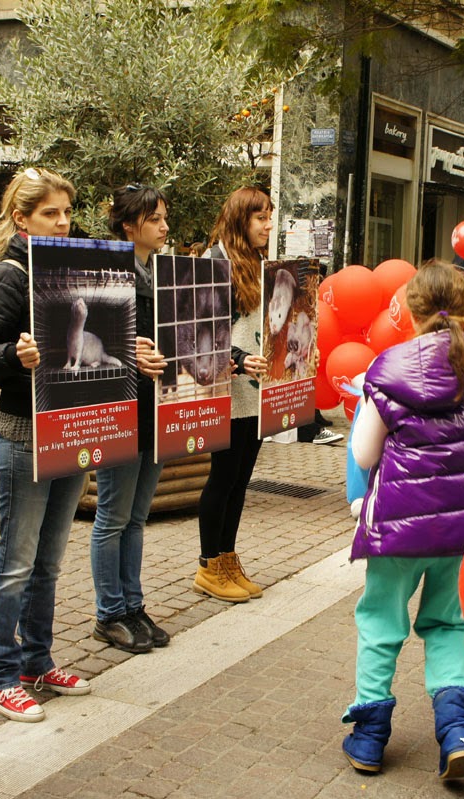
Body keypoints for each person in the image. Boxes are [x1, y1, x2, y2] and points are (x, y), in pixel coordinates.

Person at [341, 261, 464, 780]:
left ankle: (370, 736)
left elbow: (365, 455)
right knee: (448, 625)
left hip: (398, 527)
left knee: (379, 624)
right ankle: (457, 731)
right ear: (463, 310)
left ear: (410, 314)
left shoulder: (386, 368)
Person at [0, 167, 91, 722]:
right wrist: (12, 356)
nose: (64, 223)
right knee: (16, 564)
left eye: (67, 213)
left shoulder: (65, 270)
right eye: (51, 213)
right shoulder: (7, 275)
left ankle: (35, 662)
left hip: (70, 432)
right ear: (21, 218)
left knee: (48, 562)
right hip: (25, 436)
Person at [86, 183, 174, 654]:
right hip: (119, 410)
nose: (164, 226)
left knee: (136, 517)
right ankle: (109, 612)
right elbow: (83, 344)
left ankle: (133, 605)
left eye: (164, 217)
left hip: (153, 409)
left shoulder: (158, 273)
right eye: (155, 218)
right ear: (128, 226)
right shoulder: (106, 275)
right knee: (113, 516)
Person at [193, 187, 272, 603]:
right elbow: (202, 332)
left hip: (255, 390)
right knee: (222, 478)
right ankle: (209, 565)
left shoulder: (261, 264)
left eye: (270, 216)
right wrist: (241, 359)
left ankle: (227, 556)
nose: (268, 225)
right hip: (227, 386)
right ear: (241, 218)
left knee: (241, 480)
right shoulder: (215, 262)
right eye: (261, 217)